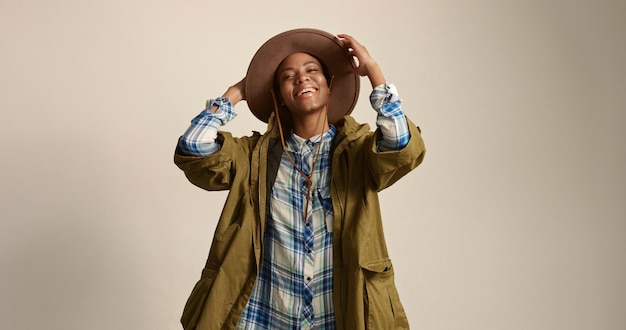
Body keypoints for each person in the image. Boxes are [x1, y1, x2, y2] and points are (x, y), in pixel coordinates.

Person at [174, 28, 425, 330]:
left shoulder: (358, 151)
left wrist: (372, 69)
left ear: (329, 86)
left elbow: (400, 144)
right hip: (263, 315)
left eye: (312, 70)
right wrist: (238, 91)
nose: (302, 78)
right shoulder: (253, 155)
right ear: (279, 96)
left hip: (340, 313)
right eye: (287, 76)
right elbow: (194, 147)